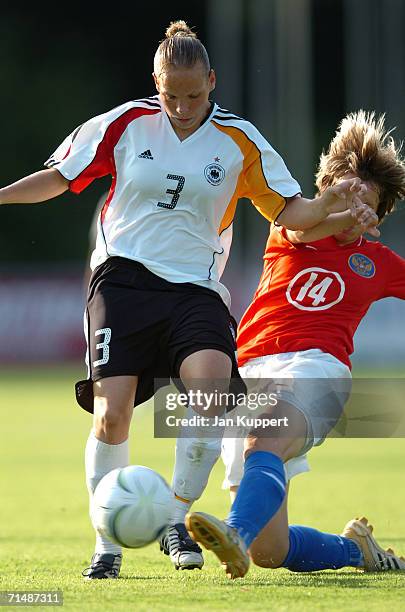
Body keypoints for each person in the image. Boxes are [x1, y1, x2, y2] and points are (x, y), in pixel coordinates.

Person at [0, 20, 372, 580]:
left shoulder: (239, 140)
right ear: (156, 82)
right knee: (112, 414)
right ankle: (108, 544)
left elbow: (291, 213)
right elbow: (59, 177)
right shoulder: (125, 124)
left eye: (194, 94)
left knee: (210, 393)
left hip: (195, 288)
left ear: (212, 81)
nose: (181, 105)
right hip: (122, 280)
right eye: (171, 94)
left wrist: (333, 207)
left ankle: (177, 518)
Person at [186, 110, 405, 579]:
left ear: (380, 216)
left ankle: (233, 535)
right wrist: (338, 209)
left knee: (262, 441)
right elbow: (306, 227)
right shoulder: (289, 231)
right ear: (326, 189)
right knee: (271, 551)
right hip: (247, 374)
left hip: (317, 369)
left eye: (366, 204)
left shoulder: (379, 261)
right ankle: (356, 551)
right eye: (345, 192)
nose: (352, 209)